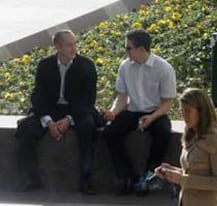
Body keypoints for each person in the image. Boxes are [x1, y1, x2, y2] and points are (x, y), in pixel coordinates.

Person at [15, 30, 100, 195]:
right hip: (50, 110)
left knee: (88, 128)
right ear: (58, 47)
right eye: (69, 45)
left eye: (74, 44)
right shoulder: (45, 65)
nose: (73, 48)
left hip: (77, 110)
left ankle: (86, 179)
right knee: (26, 128)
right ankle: (30, 178)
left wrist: (69, 119)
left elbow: (88, 99)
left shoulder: (86, 65)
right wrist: (48, 121)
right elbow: (37, 96)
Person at [103, 29, 176, 196]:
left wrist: (152, 117)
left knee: (163, 132)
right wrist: (113, 112)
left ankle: (150, 175)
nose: (125, 51)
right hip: (132, 110)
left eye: (129, 48)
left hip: (156, 112)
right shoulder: (125, 66)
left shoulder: (163, 68)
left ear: (141, 49)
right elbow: (122, 97)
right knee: (110, 132)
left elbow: (167, 103)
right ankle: (127, 176)